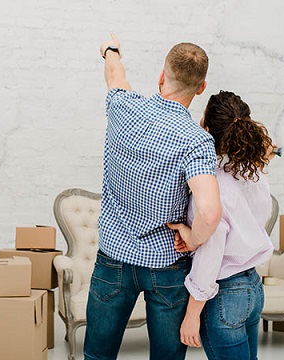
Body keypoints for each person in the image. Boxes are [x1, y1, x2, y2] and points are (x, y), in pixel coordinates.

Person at [84, 33, 222, 360]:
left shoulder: (123, 107)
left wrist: (111, 50)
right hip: (167, 265)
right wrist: (193, 240)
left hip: (113, 259)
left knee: (97, 356)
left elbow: (115, 74)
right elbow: (210, 213)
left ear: (162, 77)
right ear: (201, 88)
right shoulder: (197, 142)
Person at [168, 90, 276, 360]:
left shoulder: (210, 189)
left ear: (206, 130)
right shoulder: (254, 174)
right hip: (253, 286)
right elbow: (252, 223)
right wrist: (192, 236)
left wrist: (192, 315)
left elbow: (210, 256)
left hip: (225, 295)